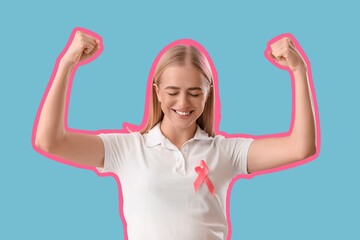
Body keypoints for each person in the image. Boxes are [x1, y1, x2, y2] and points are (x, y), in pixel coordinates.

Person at [33, 28, 319, 240]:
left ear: (208, 95)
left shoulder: (226, 152)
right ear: (157, 92)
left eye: (195, 93)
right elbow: (50, 141)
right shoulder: (128, 149)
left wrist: (299, 70)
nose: (183, 104)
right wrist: (66, 64)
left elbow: (300, 147)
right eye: (172, 92)